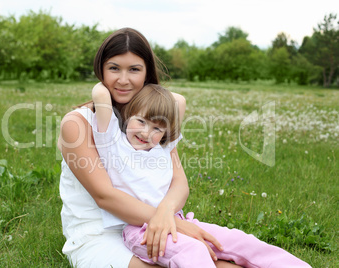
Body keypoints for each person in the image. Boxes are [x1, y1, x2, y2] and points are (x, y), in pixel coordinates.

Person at [58, 27, 311, 268]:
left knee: (222, 256)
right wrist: (175, 224)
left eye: (134, 69)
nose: (123, 80)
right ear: (101, 70)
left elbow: (179, 183)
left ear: (147, 74)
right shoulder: (79, 123)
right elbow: (105, 196)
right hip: (101, 234)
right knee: (194, 258)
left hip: (162, 222)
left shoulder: (154, 125)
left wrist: (169, 215)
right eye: (114, 68)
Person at [91, 82, 312, 268]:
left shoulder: (163, 148)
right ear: (128, 115)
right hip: (140, 230)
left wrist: (153, 99)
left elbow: (179, 100)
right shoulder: (112, 144)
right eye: (141, 121)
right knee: (193, 251)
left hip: (178, 220)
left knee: (239, 240)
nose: (146, 133)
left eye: (157, 128)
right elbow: (101, 93)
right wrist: (126, 85)